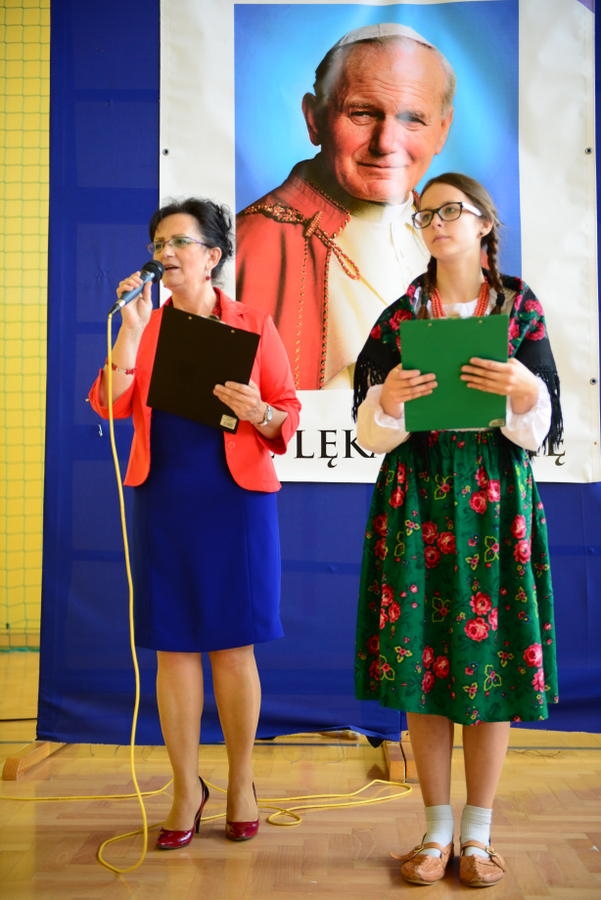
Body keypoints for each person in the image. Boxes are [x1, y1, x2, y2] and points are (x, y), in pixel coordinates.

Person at [352, 173, 562, 888]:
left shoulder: (518, 308)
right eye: (424, 214)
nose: (436, 222)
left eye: (450, 210)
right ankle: (435, 831)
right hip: (418, 498)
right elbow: (367, 434)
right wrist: (386, 399)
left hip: (494, 501)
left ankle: (478, 835)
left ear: (483, 223)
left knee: (491, 661)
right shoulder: (400, 316)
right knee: (424, 662)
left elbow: (541, 428)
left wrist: (524, 391)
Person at [88, 199, 301, 850]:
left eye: (180, 241)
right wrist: (129, 332)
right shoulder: (143, 323)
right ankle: (185, 788)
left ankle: (241, 783)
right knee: (174, 647)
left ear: (213, 255)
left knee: (234, 646)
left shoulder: (253, 324)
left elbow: (285, 414)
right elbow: (108, 404)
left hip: (236, 499)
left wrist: (260, 411)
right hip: (167, 496)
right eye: (159, 243)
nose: (166, 253)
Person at [236, 22, 455, 390]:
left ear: (443, 130)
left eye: (412, 119)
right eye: (362, 113)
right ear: (314, 119)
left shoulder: (457, 242)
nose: (387, 143)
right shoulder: (244, 248)